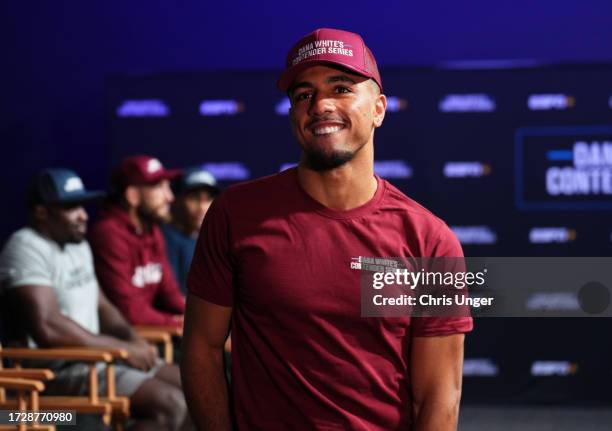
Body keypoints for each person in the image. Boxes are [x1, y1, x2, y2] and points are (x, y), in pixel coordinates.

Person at [181, 28, 473, 431]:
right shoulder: (235, 214)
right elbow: (201, 348)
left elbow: (440, 395)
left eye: (341, 88)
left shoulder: (430, 241)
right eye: (304, 94)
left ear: (379, 109)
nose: (320, 105)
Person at [0, 168, 188, 431]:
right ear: (41, 212)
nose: (83, 215)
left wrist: (131, 338)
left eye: (82, 205)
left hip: (97, 359)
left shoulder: (78, 245)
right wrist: (119, 349)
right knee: (171, 405)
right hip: (57, 370)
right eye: (70, 207)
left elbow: (102, 306)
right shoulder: (25, 247)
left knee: (197, 387)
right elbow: (48, 326)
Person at [89, 155, 185, 327]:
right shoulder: (108, 234)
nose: (169, 197)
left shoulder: (152, 230)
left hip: (152, 334)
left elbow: (170, 294)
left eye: (168, 187)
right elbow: (128, 310)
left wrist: (207, 316)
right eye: (159, 187)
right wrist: (176, 323)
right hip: (119, 340)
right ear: (132, 195)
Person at [162, 166, 219, 294]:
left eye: (208, 199)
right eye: (193, 198)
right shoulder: (164, 239)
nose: (202, 207)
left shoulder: (210, 239)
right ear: (175, 200)